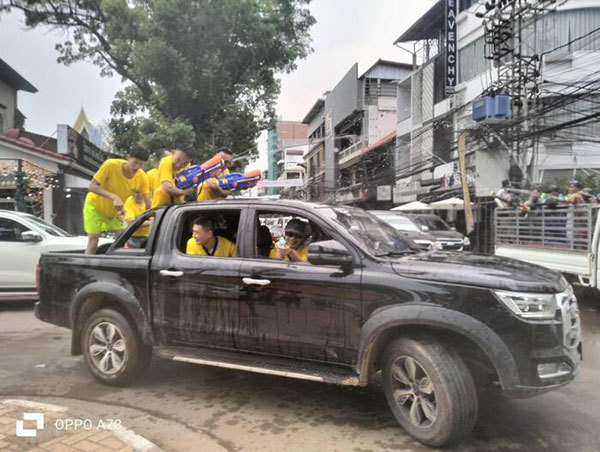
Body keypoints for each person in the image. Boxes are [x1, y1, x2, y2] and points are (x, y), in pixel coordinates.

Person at [83, 147, 150, 254]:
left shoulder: (142, 176)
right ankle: (85, 269)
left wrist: (151, 215)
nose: (137, 167)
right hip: (95, 206)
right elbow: (91, 186)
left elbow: (147, 199)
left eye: (141, 164)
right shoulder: (111, 165)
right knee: (93, 242)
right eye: (135, 162)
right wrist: (114, 197)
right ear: (128, 158)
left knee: (123, 240)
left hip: (116, 211)